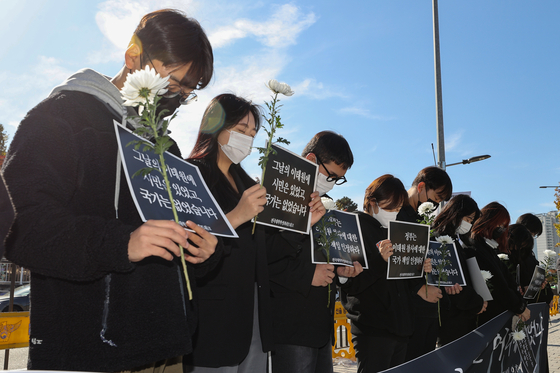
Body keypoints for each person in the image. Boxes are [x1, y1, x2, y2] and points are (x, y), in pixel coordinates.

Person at [2, 9, 218, 372]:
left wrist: (204, 250)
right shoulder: (60, 117)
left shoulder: (167, 148)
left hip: (167, 348)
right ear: (134, 56)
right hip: (87, 351)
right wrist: (121, 244)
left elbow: (185, 240)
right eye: (172, 81)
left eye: (187, 90)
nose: (177, 97)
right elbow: (22, 225)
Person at [184, 94, 304, 372]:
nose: (247, 139)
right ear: (215, 127)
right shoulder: (191, 173)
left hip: (253, 313)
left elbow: (263, 254)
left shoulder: (249, 185)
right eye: (240, 130)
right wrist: (237, 216)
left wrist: (301, 225)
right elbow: (189, 240)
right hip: (212, 317)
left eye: (252, 133)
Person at [267, 131, 362, 373]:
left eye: (338, 179)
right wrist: (309, 273)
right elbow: (264, 258)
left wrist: (342, 272)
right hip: (290, 327)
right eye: (331, 175)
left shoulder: (327, 207)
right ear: (311, 160)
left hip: (321, 328)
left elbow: (327, 261)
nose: (331, 183)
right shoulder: (276, 196)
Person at [340, 174, 437, 373]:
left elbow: (402, 279)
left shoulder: (396, 230)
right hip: (372, 327)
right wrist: (379, 260)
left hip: (401, 326)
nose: (394, 212)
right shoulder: (354, 228)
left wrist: (419, 268)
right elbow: (351, 284)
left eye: (398, 207)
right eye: (390, 207)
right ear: (372, 201)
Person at [401, 166, 453, 361]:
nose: (435, 204)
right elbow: (397, 262)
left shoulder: (420, 219)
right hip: (410, 309)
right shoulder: (397, 214)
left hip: (427, 307)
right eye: (436, 198)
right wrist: (419, 288)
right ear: (421, 186)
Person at [431, 194, 487, 346]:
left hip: (458, 315)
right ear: (456, 213)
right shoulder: (441, 239)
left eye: (471, 221)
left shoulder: (454, 239)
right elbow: (453, 283)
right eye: (467, 219)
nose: (468, 224)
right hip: (450, 319)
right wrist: (476, 302)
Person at [465, 202, 530, 327]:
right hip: (487, 319)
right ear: (487, 221)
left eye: (504, 226)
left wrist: (520, 302)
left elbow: (507, 279)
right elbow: (499, 284)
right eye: (499, 225)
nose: (502, 229)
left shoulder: (488, 248)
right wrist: (520, 307)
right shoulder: (475, 247)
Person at [506, 224, 554, 306]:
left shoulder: (525, 255)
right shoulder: (505, 258)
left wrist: (538, 286)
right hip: (516, 306)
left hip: (528, 304)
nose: (520, 249)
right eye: (533, 233)